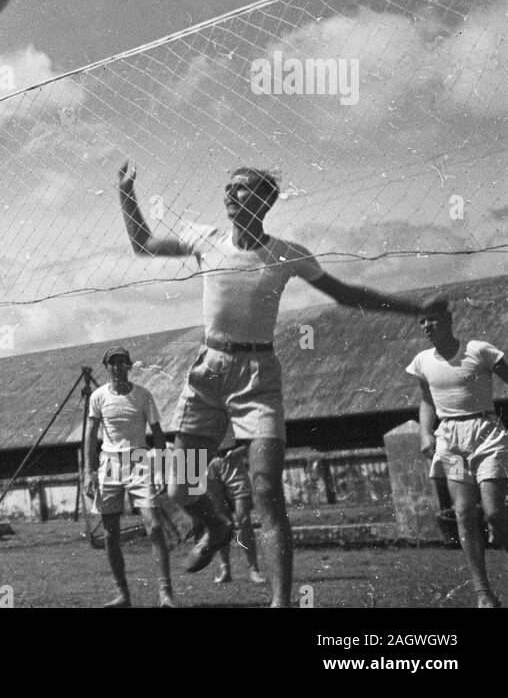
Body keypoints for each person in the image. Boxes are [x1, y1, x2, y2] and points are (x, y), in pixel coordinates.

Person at [118, 162, 421, 606]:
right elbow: (143, 244)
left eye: (241, 189)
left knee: (266, 492)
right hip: (208, 372)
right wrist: (125, 194)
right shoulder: (206, 239)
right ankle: (218, 527)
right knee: (180, 487)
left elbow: (347, 295)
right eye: (227, 188)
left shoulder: (288, 253)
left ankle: (281, 602)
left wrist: (413, 308)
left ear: (265, 200)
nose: (229, 195)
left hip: (257, 375)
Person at [407, 298, 508, 608]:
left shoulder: (479, 350)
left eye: (433, 319)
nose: (427, 326)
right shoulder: (423, 361)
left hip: (485, 433)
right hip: (449, 439)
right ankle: (483, 594)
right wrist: (426, 433)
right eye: (422, 321)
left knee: (494, 513)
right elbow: (427, 400)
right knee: (463, 514)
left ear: (449, 320)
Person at [83, 347, 175, 608]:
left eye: (122, 362)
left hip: (139, 461)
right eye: (112, 363)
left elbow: (157, 433)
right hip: (109, 463)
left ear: (129, 366)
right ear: (107, 367)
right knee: (111, 533)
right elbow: (91, 435)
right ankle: (122, 594)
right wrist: (89, 472)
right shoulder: (98, 397)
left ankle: (165, 593)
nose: (117, 367)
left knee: (154, 526)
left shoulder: (143, 395)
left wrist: (159, 467)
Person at [208, 432, 266, 585]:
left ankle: (254, 569)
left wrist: (238, 451)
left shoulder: (232, 408)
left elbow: (252, 437)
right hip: (208, 462)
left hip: (232, 461)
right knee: (220, 521)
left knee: (243, 518)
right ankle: (225, 570)